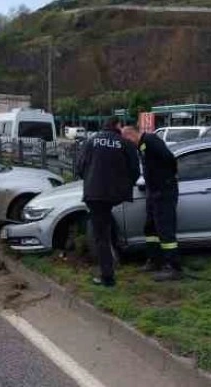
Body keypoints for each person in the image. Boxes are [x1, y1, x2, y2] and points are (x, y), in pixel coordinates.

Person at [77, 117, 140, 287]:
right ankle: (111, 264)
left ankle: (107, 277)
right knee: (106, 227)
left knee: (101, 237)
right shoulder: (125, 144)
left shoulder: (91, 142)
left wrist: (90, 180)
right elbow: (135, 170)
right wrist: (124, 187)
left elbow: (80, 167)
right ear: (117, 126)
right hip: (114, 195)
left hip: (95, 194)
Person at [121, 125, 182, 282]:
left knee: (165, 228)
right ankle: (154, 260)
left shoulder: (150, 141)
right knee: (151, 227)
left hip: (163, 191)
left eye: (126, 141)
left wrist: (166, 180)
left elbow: (170, 159)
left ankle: (173, 267)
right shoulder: (142, 145)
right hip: (153, 192)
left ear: (130, 136)